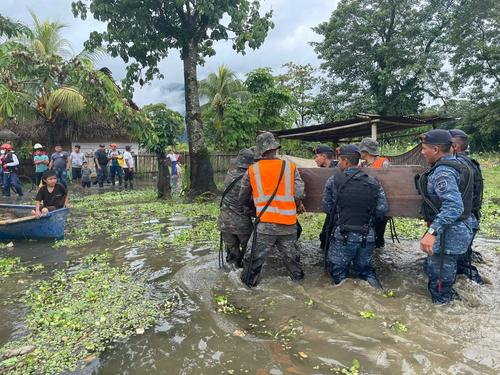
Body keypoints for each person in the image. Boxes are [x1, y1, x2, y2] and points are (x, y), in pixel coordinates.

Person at [239, 132, 305, 287]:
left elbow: (242, 197)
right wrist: (298, 204)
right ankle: (301, 286)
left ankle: (246, 293)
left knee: (252, 263)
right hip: (288, 225)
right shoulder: (290, 167)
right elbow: (299, 193)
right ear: (275, 148)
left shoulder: (252, 170)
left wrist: (254, 209)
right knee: (293, 262)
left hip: (265, 225)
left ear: (260, 150)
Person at [416, 129, 473, 303]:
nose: (422, 152)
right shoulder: (459, 164)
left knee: (440, 289)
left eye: (424, 148)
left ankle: (447, 318)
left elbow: (454, 207)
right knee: (443, 281)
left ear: (435, 150)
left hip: (449, 235)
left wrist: (432, 232)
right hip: (458, 231)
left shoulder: (444, 172)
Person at [322, 144, 388, 289]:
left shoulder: (333, 181)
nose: (338, 163)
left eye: (339, 160)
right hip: (367, 237)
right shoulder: (374, 182)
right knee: (367, 272)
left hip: (342, 237)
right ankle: (380, 295)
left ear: (345, 161)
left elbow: (327, 208)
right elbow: (382, 211)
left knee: (338, 273)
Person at [449, 129, 483, 284]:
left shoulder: (457, 166)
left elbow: (453, 201)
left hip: (462, 222)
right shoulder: (470, 163)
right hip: (472, 218)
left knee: (458, 266)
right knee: (463, 260)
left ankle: (473, 289)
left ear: (454, 146)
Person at [218, 148, 254, 268]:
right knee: (248, 257)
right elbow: (252, 201)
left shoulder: (230, 174)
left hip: (224, 223)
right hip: (242, 225)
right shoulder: (250, 178)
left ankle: (229, 281)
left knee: (232, 259)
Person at [359, 137, 390, 248]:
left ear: (366, 151)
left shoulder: (383, 163)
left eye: (361, 150)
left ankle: (378, 255)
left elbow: (390, 184)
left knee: (378, 237)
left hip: (379, 205)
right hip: (365, 207)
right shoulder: (362, 165)